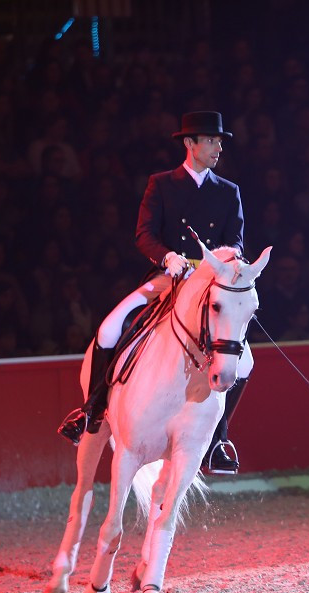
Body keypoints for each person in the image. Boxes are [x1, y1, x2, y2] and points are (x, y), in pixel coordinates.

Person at [57, 111, 249, 473]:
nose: (217, 147)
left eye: (219, 141)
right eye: (210, 140)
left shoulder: (229, 192)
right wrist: (167, 256)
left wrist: (227, 261)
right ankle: (92, 410)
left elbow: (236, 241)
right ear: (190, 144)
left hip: (209, 285)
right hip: (169, 276)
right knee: (111, 328)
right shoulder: (161, 184)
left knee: (246, 360)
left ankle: (219, 439)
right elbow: (144, 233)